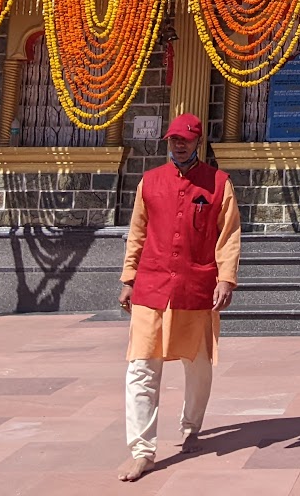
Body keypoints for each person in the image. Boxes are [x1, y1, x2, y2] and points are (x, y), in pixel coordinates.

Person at [117, 113, 241, 482]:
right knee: (141, 367)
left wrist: (227, 279)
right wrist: (128, 278)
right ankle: (142, 450)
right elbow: (136, 232)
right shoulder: (149, 182)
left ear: (197, 141)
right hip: (151, 286)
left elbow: (229, 234)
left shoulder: (218, 183)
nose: (178, 144)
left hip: (195, 286)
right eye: (173, 139)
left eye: (185, 139)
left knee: (198, 364)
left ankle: (191, 425)